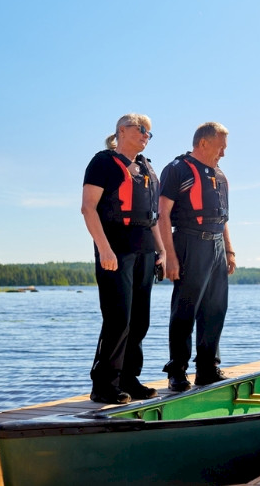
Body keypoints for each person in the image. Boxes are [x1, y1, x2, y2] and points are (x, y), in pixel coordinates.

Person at [81, 113, 165, 404]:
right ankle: (104, 385)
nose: (146, 136)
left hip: (144, 249)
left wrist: (162, 250)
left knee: (140, 320)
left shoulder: (145, 169)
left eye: (149, 133)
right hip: (115, 248)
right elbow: (88, 209)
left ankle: (129, 378)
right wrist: (104, 249)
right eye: (141, 130)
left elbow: (152, 216)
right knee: (118, 318)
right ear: (121, 130)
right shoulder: (103, 163)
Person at [158, 122, 236, 391]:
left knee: (215, 309)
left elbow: (223, 217)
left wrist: (229, 250)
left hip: (216, 246)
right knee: (185, 308)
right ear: (203, 143)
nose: (224, 152)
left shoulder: (219, 175)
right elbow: (163, 214)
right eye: (221, 146)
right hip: (189, 241)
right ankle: (177, 371)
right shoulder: (177, 170)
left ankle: (207, 368)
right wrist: (168, 255)